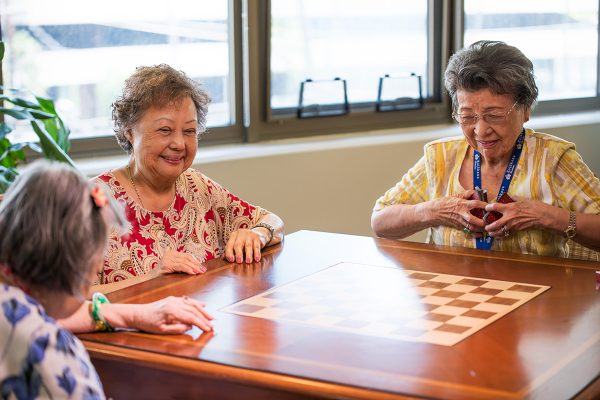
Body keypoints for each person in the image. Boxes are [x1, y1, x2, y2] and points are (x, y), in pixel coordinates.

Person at [0, 161, 214, 399]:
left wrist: (132, 315)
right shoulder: (54, 355)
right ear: (75, 263)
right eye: (98, 253)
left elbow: (39, 313)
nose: (100, 265)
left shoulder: (12, 300)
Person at [371, 40, 600, 258]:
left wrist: (544, 216)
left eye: (494, 115)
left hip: (535, 293)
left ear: (526, 109)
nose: (480, 131)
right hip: (452, 290)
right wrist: (433, 211)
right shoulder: (440, 156)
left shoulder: (552, 158)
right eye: (467, 116)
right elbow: (380, 221)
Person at [96, 64, 284, 284]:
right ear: (129, 131)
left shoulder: (197, 186)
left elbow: (273, 221)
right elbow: (68, 305)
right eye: (164, 130)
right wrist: (152, 277)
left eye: (189, 131)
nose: (178, 144)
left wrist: (257, 235)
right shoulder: (91, 204)